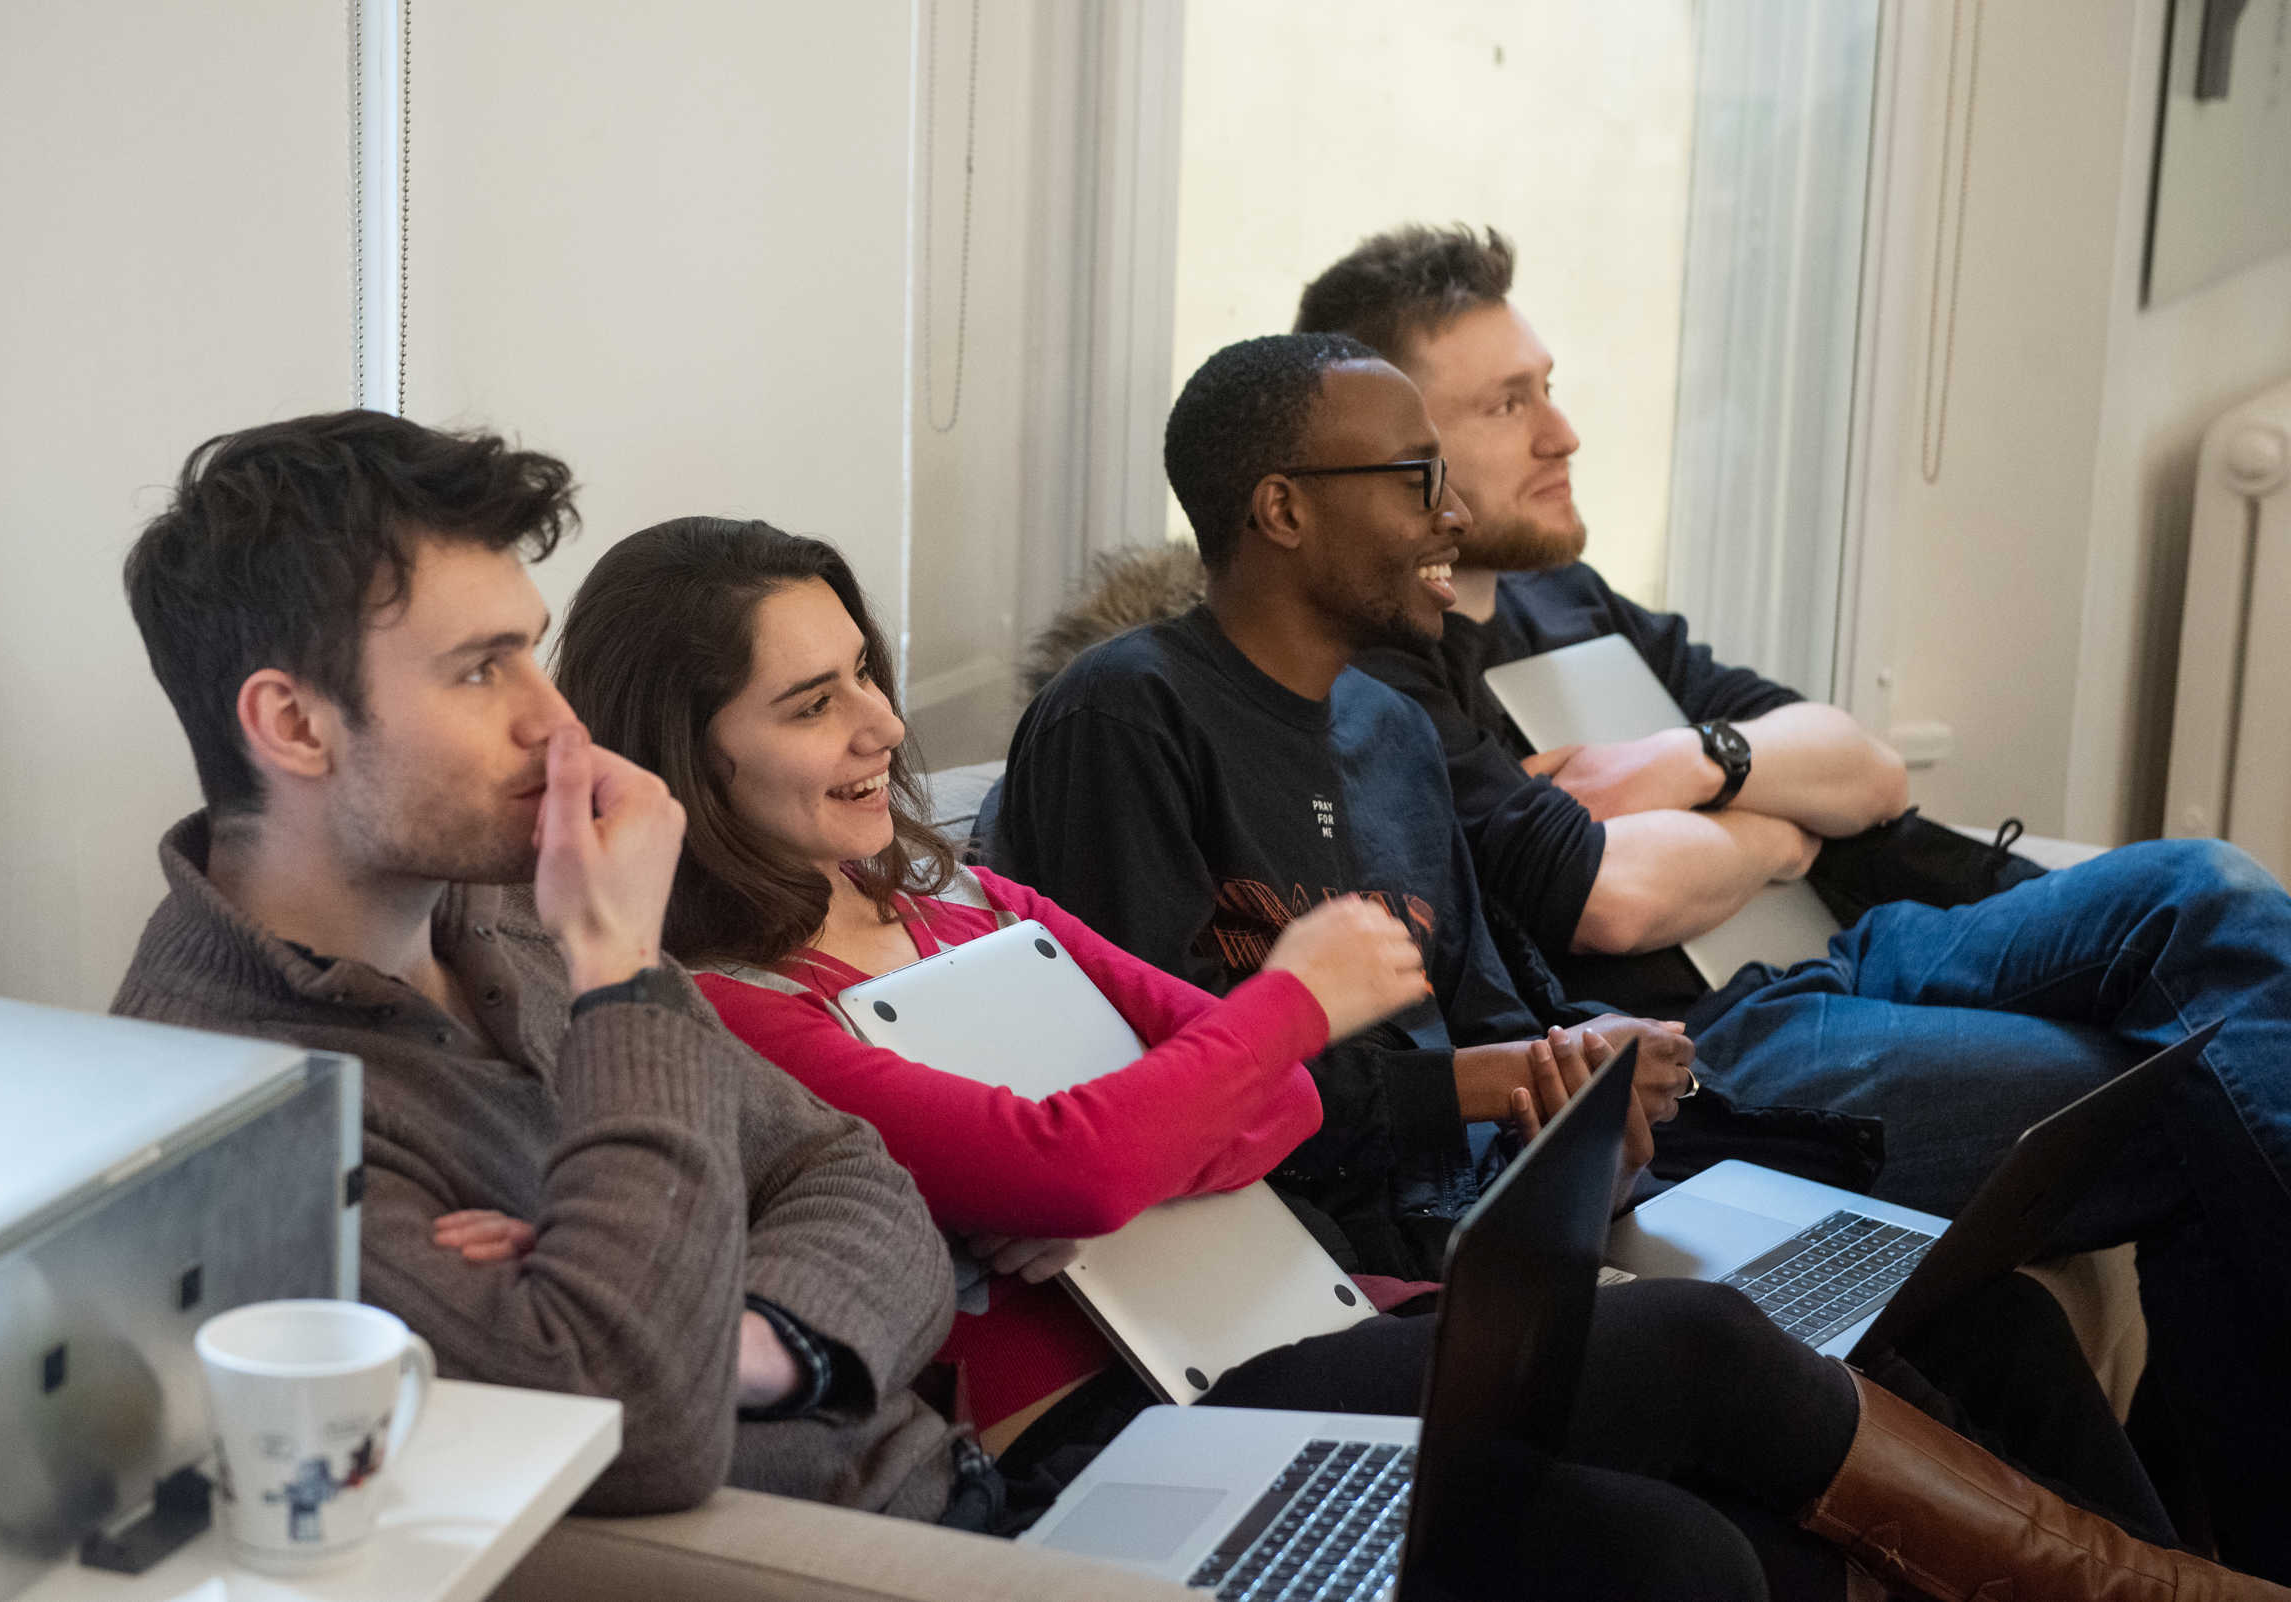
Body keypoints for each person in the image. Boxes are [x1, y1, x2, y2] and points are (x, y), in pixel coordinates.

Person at [514, 510, 2278, 1602]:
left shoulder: (968, 896)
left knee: (1706, 1543)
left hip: (1266, 1311)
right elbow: (1109, 1147)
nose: (881, 724)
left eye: (867, 673)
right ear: (691, 745)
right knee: (1697, 1358)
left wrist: (1169, 1103)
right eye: (809, 701)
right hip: (1104, 1420)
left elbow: (1245, 1105)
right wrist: (1240, 1042)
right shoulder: (743, 1009)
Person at [1295, 224, 2291, 1575]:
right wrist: (1769, 816)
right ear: (1401, 456)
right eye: (1507, 403)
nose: (1563, 429)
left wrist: (1695, 766)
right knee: (2195, 1080)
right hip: (1718, 1057)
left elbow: (1863, 766)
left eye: (1548, 383)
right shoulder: (1383, 673)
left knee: (2199, 890)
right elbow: (1615, 901)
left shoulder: (1561, 597)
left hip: (1834, 958)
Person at [108, 410, 963, 1520]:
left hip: (969, 1485)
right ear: (294, 726)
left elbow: (852, 1178)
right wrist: (622, 974)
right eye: (481, 672)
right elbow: (635, 1422)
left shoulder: (507, 910)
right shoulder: (229, 1118)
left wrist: (750, 1339)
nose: (557, 724)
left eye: (531, 650)